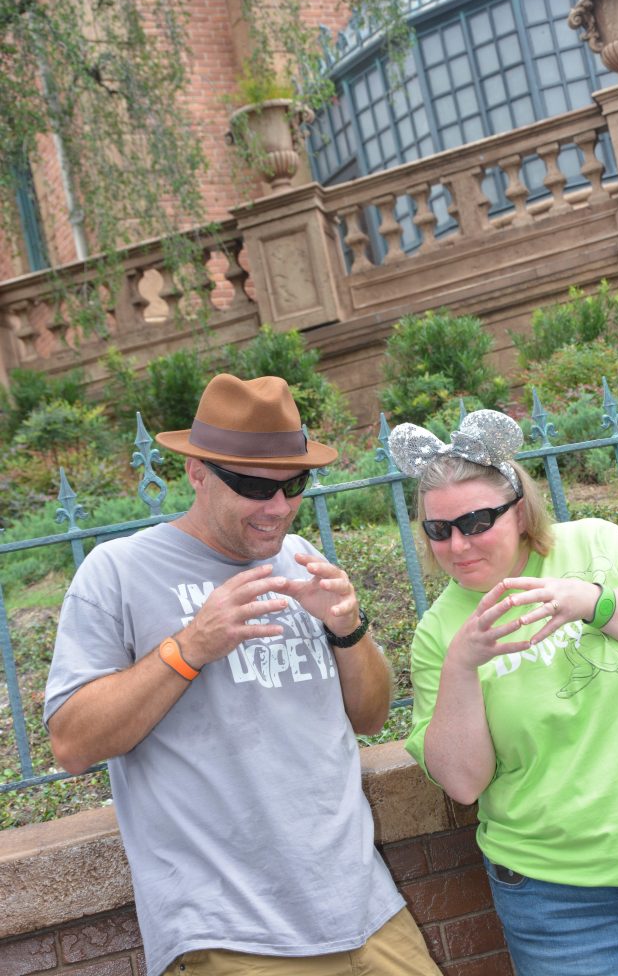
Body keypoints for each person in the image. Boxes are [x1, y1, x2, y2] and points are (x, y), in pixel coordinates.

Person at [44, 373, 441, 976]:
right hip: (229, 935)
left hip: (365, 910)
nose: (278, 507)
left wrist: (349, 628)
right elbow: (72, 744)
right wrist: (190, 647)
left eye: (294, 485)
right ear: (197, 472)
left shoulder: (302, 558)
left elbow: (371, 717)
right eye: (255, 485)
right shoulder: (118, 573)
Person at [388, 409, 618, 976]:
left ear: (519, 511)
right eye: (438, 529)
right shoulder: (439, 633)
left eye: (476, 521)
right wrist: (461, 666)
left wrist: (598, 604)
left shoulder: (596, 546)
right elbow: (463, 782)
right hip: (556, 903)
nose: (457, 544)